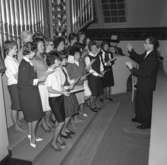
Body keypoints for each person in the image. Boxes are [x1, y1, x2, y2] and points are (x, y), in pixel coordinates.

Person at [126, 36, 159, 129]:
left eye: (146, 43)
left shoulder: (153, 57)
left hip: (147, 84)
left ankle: (147, 123)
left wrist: (131, 68)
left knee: (146, 104)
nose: (144, 44)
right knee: (139, 101)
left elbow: (145, 73)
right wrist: (131, 50)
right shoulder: (147, 53)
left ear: (151, 45)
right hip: (142, 83)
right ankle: (139, 117)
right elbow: (139, 58)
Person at [18, 42, 45, 148]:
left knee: (31, 116)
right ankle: (33, 137)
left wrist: (37, 79)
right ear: (30, 51)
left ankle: (31, 134)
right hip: (28, 94)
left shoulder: (28, 62)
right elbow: (23, 82)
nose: (35, 53)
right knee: (35, 116)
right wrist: (39, 79)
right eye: (34, 51)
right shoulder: (24, 64)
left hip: (32, 92)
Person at [46, 52, 68, 151]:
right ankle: (53, 142)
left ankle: (58, 137)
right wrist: (61, 92)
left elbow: (60, 84)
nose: (60, 61)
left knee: (60, 121)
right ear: (55, 61)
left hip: (60, 97)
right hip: (54, 99)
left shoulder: (57, 70)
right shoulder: (49, 72)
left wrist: (64, 90)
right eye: (59, 59)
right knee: (61, 122)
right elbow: (49, 89)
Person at [32, 38, 53, 132]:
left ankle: (47, 121)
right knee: (44, 107)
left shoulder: (43, 56)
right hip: (40, 85)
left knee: (48, 106)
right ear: (35, 47)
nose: (43, 47)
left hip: (47, 83)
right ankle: (43, 123)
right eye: (40, 45)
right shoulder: (33, 59)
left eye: (43, 45)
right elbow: (33, 75)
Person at [4, 40, 24, 132]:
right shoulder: (7, 60)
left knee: (17, 104)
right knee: (15, 106)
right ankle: (15, 125)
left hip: (17, 84)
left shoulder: (13, 59)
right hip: (13, 85)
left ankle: (17, 122)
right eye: (15, 48)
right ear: (9, 49)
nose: (17, 50)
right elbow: (16, 75)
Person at [85, 41, 104, 112]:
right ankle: (92, 106)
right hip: (92, 77)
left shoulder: (98, 56)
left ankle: (94, 104)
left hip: (98, 76)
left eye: (96, 47)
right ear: (90, 48)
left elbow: (101, 65)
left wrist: (102, 71)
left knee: (97, 92)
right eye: (93, 48)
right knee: (93, 93)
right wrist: (97, 74)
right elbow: (89, 69)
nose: (95, 49)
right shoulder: (87, 57)